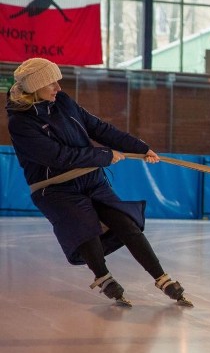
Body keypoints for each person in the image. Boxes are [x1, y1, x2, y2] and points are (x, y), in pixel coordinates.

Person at [5, 57, 191, 307]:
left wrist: (141, 148)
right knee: (85, 228)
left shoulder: (63, 102)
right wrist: (103, 155)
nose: (58, 88)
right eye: (52, 83)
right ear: (36, 86)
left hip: (91, 180)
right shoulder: (21, 122)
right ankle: (104, 278)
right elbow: (57, 156)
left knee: (125, 222)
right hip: (56, 188)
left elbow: (99, 129)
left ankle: (162, 278)